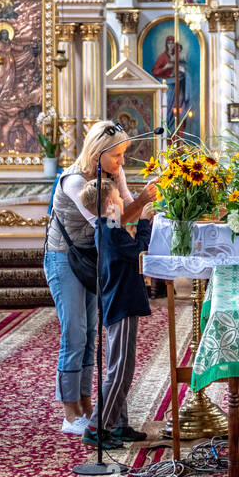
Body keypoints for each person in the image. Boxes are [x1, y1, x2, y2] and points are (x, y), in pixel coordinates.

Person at [43, 121, 157, 435]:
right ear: (98, 152)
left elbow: (125, 215)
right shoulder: (75, 182)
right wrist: (142, 205)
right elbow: (111, 222)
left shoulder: (111, 173)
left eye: (123, 154)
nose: (122, 162)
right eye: (117, 155)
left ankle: (87, 406)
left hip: (93, 258)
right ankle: (70, 413)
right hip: (64, 259)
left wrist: (143, 202)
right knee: (75, 333)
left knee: (91, 334)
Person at [77, 178, 154, 449]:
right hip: (120, 303)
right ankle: (97, 428)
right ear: (110, 204)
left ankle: (120, 425)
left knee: (124, 366)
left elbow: (124, 239)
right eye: (120, 199)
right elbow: (137, 251)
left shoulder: (109, 224)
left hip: (123, 301)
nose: (124, 201)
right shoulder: (109, 230)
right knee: (119, 370)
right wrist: (144, 222)